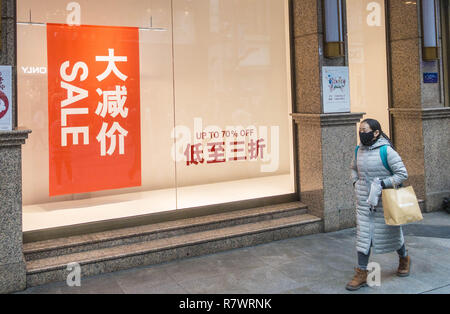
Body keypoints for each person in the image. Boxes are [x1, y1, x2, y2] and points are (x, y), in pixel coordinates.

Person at [346, 118, 411, 291]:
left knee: (393, 233)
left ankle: (404, 258)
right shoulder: (358, 150)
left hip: (385, 202)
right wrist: (355, 183)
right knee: (363, 237)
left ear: (376, 133)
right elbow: (353, 168)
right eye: (360, 129)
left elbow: (401, 174)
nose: (362, 133)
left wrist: (383, 183)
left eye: (365, 130)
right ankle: (361, 273)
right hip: (364, 203)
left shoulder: (386, 151)